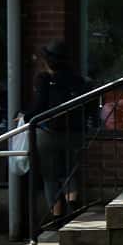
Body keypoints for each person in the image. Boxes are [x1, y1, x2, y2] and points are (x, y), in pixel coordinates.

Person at [29, 41, 89, 219]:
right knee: (70, 170)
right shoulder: (78, 80)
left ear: (47, 60)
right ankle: (73, 204)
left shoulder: (44, 79)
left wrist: (25, 117)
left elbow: (39, 107)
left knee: (50, 176)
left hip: (49, 132)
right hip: (74, 132)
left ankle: (56, 215)